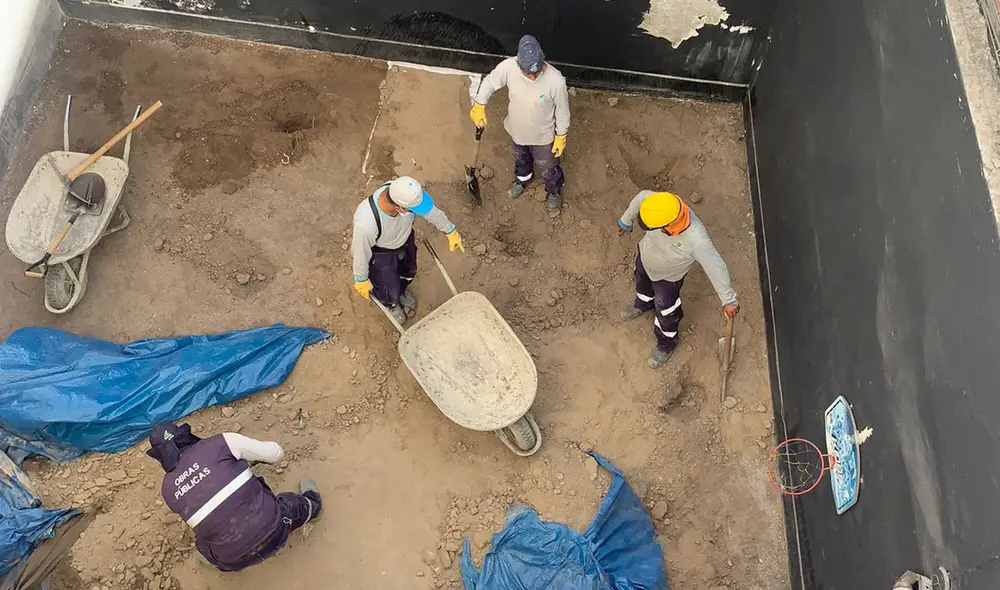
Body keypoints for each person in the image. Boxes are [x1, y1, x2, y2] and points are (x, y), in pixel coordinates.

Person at [145, 423, 321, 572]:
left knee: (203, 544)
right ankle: (313, 505)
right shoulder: (220, 443)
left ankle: (219, 560)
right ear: (185, 435)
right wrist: (242, 459)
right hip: (275, 527)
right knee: (291, 504)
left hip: (233, 561)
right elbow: (276, 453)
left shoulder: (167, 488)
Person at [617, 190, 740, 368]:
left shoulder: (696, 240)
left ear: (668, 226)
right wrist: (625, 221)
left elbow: (716, 267)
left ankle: (666, 344)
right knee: (641, 283)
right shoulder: (662, 204)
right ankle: (643, 303)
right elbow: (642, 196)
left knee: (667, 310)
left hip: (668, 279)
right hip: (645, 258)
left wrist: (728, 300)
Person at [470, 34, 571, 212]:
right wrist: (479, 104)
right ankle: (523, 178)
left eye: (537, 72)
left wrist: (561, 135)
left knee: (548, 167)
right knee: (521, 159)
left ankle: (554, 191)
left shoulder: (556, 81)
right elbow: (489, 83)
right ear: (518, 63)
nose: (532, 77)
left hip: (543, 138)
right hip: (517, 131)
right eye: (528, 73)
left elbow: (563, 111)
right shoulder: (508, 67)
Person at [351, 176, 464, 325]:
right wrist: (361, 279)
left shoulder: (403, 191)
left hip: (404, 240)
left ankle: (401, 291)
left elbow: (431, 211)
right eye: (413, 210)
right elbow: (360, 253)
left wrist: (449, 230)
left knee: (409, 271)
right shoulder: (366, 223)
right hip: (381, 253)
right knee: (387, 286)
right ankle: (391, 302)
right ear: (399, 208)